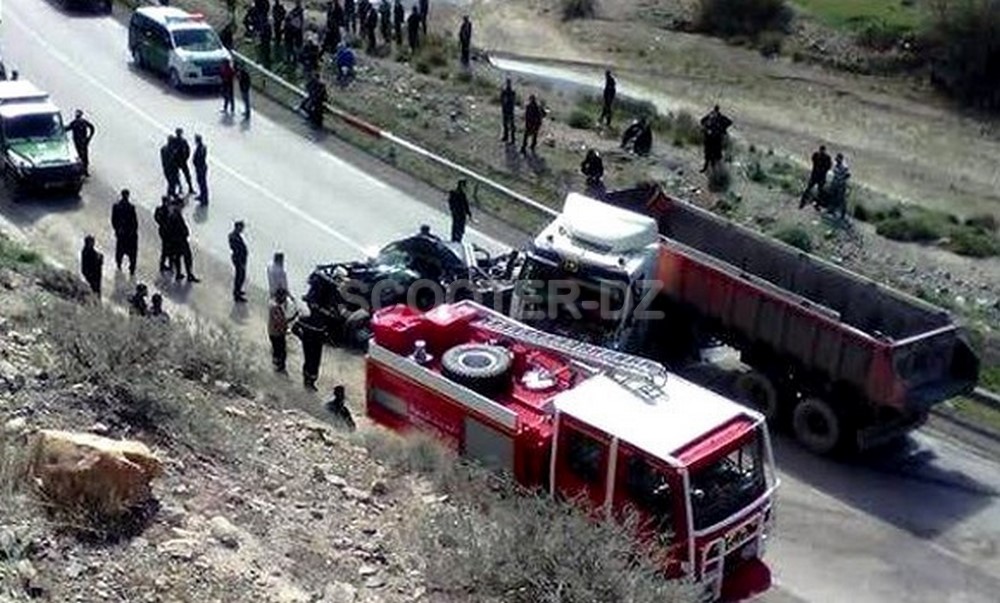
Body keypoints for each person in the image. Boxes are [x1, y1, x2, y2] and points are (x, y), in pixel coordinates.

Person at [268, 287, 299, 373]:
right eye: (284, 297)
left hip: (273, 331)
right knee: (281, 351)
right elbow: (280, 322)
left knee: (277, 349)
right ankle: (279, 368)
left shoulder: (272, 304)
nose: (285, 299)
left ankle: (277, 364)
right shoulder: (276, 308)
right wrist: (293, 318)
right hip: (277, 333)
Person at [295, 308, 327, 390]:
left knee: (308, 361)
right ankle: (310, 382)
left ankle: (307, 381)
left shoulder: (304, 320)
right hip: (316, 347)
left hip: (307, 345)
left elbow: (294, 329)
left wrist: (302, 337)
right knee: (314, 364)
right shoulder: (321, 322)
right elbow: (325, 336)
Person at [166, 207, 200, 283]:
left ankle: (179, 274)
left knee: (178, 257)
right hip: (180, 240)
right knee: (187, 257)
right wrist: (185, 234)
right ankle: (188, 274)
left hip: (177, 241)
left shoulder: (173, 215)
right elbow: (176, 229)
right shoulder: (175, 216)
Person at [111, 189, 139, 277]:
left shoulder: (117, 206)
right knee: (131, 253)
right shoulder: (129, 207)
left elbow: (113, 220)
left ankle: (121, 265)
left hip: (123, 233)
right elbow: (134, 221)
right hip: (128, 234)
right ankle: (130, 268)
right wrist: (133, 231)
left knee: (121, 251)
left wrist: (117, 229)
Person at [700, 105, 732, 173]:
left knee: (716, 155)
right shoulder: (709, 116)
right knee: (708, 154)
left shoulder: (721, 118)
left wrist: (722, 129)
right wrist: (706, 128)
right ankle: (706, 168)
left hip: (716, 139)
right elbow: (702, 121)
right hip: (709, 139)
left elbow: (729, 122)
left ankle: (715, 170)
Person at [800, 145, 833, 209]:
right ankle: (804, 202)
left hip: (819, 176)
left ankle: (812, 203)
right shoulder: (822, 157)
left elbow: (828, 166)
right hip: (818, 176)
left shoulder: (819, 156)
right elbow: (828, 166)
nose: (821, 152)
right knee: (810, 189)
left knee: (818, 191)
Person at [66, 110, 96, 177]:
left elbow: (67, 129)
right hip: (83, 141)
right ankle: (85, 171)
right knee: (84, 155)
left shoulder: (74, 122)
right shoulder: (83, 121)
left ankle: (82, 170)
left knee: (80, 155)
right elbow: (92, 128)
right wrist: (89, 137)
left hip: (78, 141)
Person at [229, 220, 249, 303]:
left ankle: (238, 290)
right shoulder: (234, 237)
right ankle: (237, 294)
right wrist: (241, 262)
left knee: (241, 276)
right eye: (241, 227)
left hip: (240, 259)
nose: (242, 229)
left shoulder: (235, 235)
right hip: (239, 260)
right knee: (239, 277)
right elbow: (238, 250)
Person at [827, 153, 851, 219]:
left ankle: (843, 213)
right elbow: (833, 171)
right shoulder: (835, 164)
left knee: (841, 199)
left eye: (837, 159)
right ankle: (831, 210)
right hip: (834, 183)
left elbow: (848, 175)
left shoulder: (844, 166)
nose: (836, 160)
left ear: (840, 159)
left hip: (841, 185)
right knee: (833, 197)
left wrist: (841, 179)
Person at [154, 196, 173, 272]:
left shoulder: (160, 209)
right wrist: (164, 224)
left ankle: (167, 264)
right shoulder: (164, 210)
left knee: (168, 248)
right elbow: (157, 218)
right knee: (166, 248)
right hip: (166, 231)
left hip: (165, 230)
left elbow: (156, 217)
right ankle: (165, 265)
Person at [173, 128, 193, 195]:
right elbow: (172, 151)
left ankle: (190, 187)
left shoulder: (184, 141)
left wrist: (186, 158)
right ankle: (180, 188)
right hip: (177, 161)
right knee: (177, 176)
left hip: (182, 161)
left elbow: (188, 150)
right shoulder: (174, 141)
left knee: (187, 175)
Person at [193, 135, 209, 205]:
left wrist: (196, 162)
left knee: (202, 183)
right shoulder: (201, 147)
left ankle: (204, 198)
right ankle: (202, 195)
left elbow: (199, 158)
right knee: (200, 182)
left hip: (201, 168)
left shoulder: (201, 148)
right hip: (199, 167)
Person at [500, 78, 516, 144]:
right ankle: (506, 137)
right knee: (506, 124)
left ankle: (512, 138)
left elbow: (512, 101)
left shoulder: (511, 92)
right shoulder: (508, 92)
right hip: (506, 110)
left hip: (509, 110)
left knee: (510, 125)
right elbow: (501, 99)